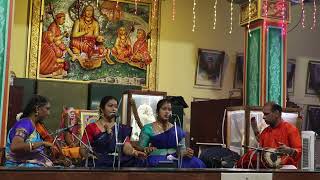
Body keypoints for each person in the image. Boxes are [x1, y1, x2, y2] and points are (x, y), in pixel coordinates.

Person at [79, 96, 146, 167]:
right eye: (110, 106)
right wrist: (87, 155)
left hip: (118, 161)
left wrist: (134, 152)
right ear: (102, 109)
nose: (114, 109)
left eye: (116, 107)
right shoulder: (91, 127)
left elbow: (126, 147)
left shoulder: (121, 128)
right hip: (99, 161)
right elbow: (83, 148)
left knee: (140, 162)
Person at [138, 98, 206, 168]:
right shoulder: (148, 128)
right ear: (157, 111)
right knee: (158, 164)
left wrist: (186, 152)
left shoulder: (177, 129)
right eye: (164, 109)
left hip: (176, 157)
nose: (167, 112)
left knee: (197, 163)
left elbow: (182, 149)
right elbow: (140, 149)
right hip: (156, 158)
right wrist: (146, 149)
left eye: (169, 110)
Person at [237, 102, 302, 169]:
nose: (263, 117)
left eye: (266, 114)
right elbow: (262, 154)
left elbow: (299, 152)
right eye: (263, 114)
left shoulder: (290, 129)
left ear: (276, 113)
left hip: (285, 169)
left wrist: (290, 151)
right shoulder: (265, 132)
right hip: (267, 168)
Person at [5, 95, 54, 167]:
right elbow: (15, 146)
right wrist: (42, 143)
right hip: (17, 170)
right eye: (47, 109)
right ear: (37, 109)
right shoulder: (25, 123)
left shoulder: (34, 125)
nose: (48, 113)